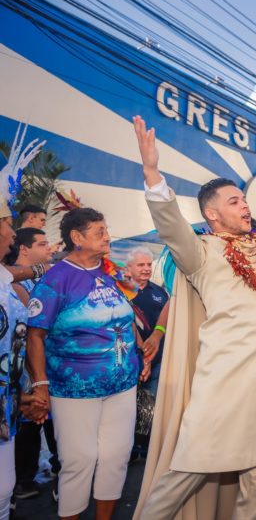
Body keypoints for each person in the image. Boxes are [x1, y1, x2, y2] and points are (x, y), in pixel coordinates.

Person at [131, 116, 256, 519]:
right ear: (212, 215)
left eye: (244, 199)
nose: (245, 206)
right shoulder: (201, 253)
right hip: (224, 383)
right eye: (235, 201)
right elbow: (171, 227)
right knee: (187, 471)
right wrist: (152, 174)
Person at [26, 207, 145, 520]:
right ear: (77, 238)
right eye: (100, 232)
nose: (107, 237)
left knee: (116, 457)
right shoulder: (56, 280)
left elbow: (125, 315)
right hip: (74, 388)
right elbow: (35, 337)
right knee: (79, 460)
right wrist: (40, 385)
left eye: (106, 230)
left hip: (122, 385)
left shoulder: (109, 274)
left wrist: (140, 350)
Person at [1, 206, 44, 520]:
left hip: (7, 408)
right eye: (6, 224)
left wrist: (22, 396)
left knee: (4, 489)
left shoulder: (5, 276)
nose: (13, 232)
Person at [10, 227, 59, 500]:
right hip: (23, 364)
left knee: (49, 417)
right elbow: (33, 321)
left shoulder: (46, 277)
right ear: (24, 248)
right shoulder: (13, 280)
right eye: (42, 244)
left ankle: (57, 466)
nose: (48, 248)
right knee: (28, 423)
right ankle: (23, 479)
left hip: (46, 360)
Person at [126, 247, 170, 461]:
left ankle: (144, 448)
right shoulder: (121, 290)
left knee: (150, 404)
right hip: (128, 359)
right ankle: (130, 447)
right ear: (129, 267)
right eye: (140, 265)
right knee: (128, 406)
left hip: (158, 359)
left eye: (148, 265)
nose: (146, 269)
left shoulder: (159, 293)